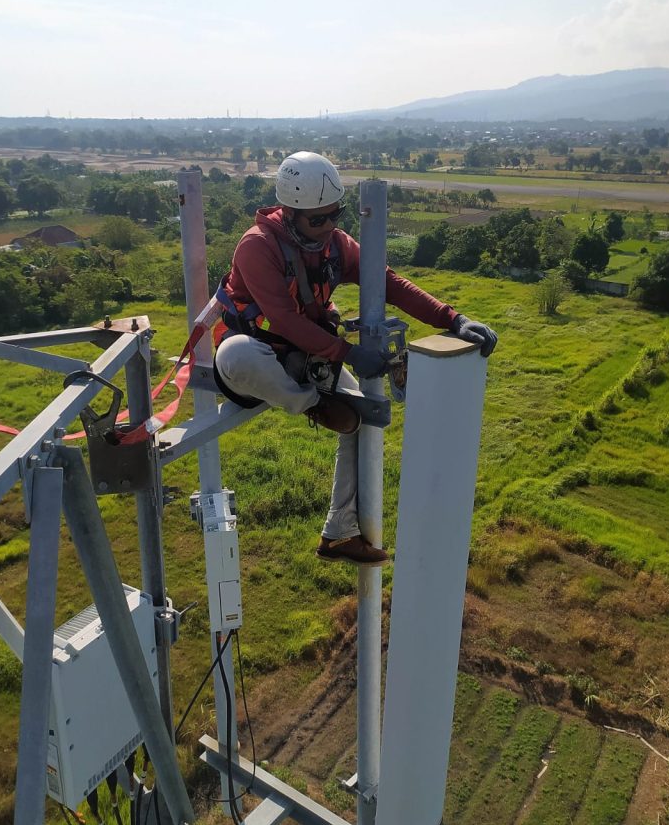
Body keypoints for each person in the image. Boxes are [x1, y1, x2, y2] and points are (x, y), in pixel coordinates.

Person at [212, 152, 497, 566]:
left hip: (309, 359)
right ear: (290, 213)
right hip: (258, 363)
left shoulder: (333, 246)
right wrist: (348, 354)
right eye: (318, 219)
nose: (329, 227)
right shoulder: (258, 247)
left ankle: (339, 532)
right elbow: (286, 321)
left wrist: (452, 318)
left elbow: (387, 282)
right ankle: (314, 406)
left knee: (364, 420)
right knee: (235, 354)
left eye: (335, 216)